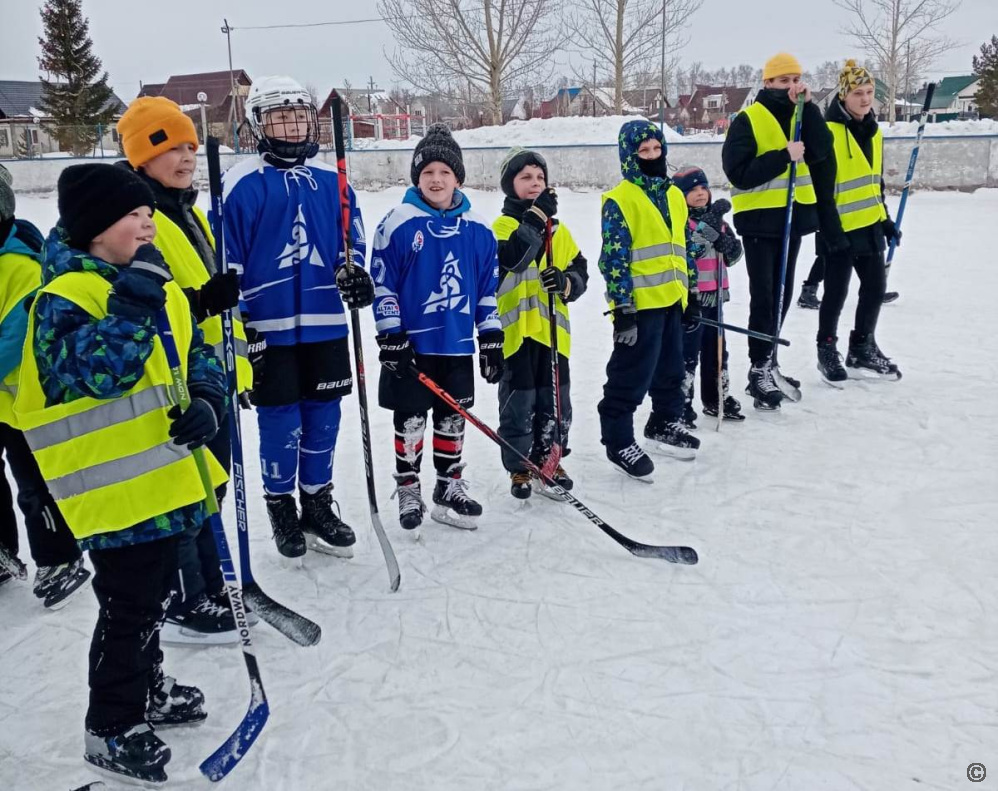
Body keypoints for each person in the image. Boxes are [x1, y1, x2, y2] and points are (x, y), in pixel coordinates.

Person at [14, 163, 227, 782]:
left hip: (164, 477)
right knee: (130, 607)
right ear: (93, 229)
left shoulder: (151, 283)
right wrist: (132, 303)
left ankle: (147, 689)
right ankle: (110, 724)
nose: (147, 225)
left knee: (156, 597)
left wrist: (209, 401)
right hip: (110, 492)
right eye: (132, 217)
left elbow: (195, 352)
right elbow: (95, 375)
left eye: (148, 216)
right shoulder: (63, 299)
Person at [221, 76, 375, 559]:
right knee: (280, 420)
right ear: (257, 124)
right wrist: (243, 330)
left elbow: (354, 241)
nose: (290, 124)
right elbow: (227, 264)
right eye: (277, 116)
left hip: (325, 321)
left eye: (297, 114)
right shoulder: (242, 183)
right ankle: (281, 506)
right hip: (269, 329)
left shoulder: (333, 180)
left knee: (324, 418)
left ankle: (318, 501)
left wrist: (355, 272)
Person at [117, 96, 250, 643]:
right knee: (184, 490)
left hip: (209, 372)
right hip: (171, 377)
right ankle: (185, 594)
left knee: (209, 483)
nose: (186, 156)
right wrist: (202, 301)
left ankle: (210, 581)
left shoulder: (187, 210)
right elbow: (145, 301)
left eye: (190, 146)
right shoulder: (138, 217)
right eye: (170, 147)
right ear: (140, 157)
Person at [371, 124, 502, 532]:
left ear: (457, 177)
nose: (436, 179)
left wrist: (491, 336)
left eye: (444, 172)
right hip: (411, 347)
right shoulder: (397, 222)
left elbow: (486, 288)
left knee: (453, 417)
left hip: (457, 342)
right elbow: (382, 281)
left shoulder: (479, 229)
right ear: (417, 177)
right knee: (410, 418)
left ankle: (449, 485)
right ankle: (409, 486)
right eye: (427, 172)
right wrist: (391, 334)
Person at [0, 163, 91, 607]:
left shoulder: (18, 265)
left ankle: (60, 557)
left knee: (34, 482)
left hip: (23, 400)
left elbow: (14, 340)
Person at [722, 52, 834, 410]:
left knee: (783, 294)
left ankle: (769, 359)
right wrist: (783, 155)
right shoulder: (748, 119)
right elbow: (738, 172)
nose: (791, 86)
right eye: (783, 80)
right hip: (760, 220)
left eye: (796, 79)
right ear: (767, 83)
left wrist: (811, 108)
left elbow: (821, 151)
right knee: (766, 295)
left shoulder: (802, 115)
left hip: (793, 219)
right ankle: (758, 368)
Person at [597, 120, 702, 480]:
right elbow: (613, 258)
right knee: (631, 373)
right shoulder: (620, 199)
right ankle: (618, 438)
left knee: (672, 367)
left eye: (656, 149)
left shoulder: (675, 195)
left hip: (672, 299)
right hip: (639, 307)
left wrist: (692, 294)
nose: (652, 156)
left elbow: (682, 248)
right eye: (643, 151)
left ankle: (664, 422)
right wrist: (623, 309)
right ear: (629, 156)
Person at [493, 148, 588, 499]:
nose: (535, 183)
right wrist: (535, 217)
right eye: (525, 178)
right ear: (510, 185)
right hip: (517, 335)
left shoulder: (558, 231)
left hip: (552, 335)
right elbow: (514, 259)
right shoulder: (503, 226)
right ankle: (519, 465)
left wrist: (565, 283)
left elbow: (580, 269)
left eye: (539, 177)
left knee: (555, 401)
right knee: (519, 403)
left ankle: (551, 456)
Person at [814, 60, 902, 383]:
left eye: (869, 93)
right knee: (836, 293)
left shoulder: (875, 132)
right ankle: (826, 348)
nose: (865, 99)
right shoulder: (829, 133)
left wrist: (885, 219)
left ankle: (862, 346)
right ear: (843, 95)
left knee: (876, 288)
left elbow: (873, 183)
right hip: (837, 228)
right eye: (858, 93)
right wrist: (830, 230)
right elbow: (821, 190)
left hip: (868, 226)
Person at [672, 166, 745, 423]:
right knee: (688, 353)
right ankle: (681, 404)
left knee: (717, 351)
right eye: (692, 190)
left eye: (704, 188)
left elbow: (734, 256)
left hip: (717, 299)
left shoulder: (721, 223)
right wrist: (707, 232)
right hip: (694, 299)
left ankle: (717, 398)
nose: (700, 194)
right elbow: (691, 253)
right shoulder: (681, 223)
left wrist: (729, 245)